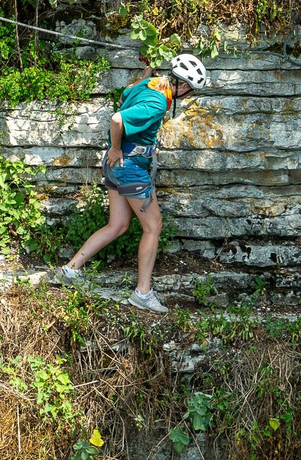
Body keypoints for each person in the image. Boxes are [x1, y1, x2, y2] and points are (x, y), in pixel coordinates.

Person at [55, 52, 212, 313]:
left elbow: (126, 95)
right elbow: (117, 119)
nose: (189, 97)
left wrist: (146, 72)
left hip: (116, 166)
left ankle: (70, 270)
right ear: (183, 86)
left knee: (117, 224)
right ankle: (142, 292)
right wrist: (116, 148)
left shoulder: (151, 83)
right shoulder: (158, 102)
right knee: (153, 227)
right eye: (191, 91)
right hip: (129, 167)